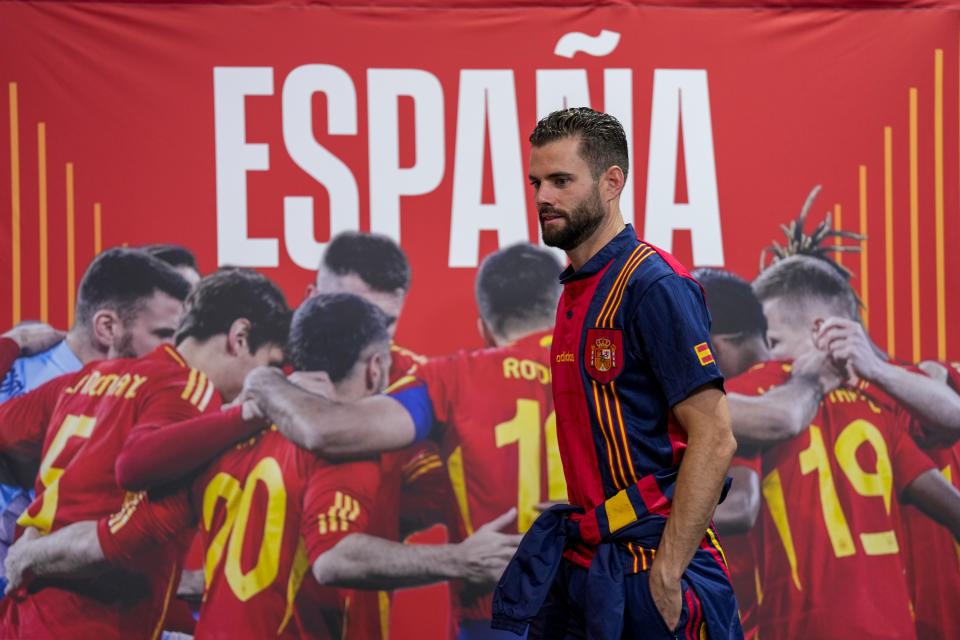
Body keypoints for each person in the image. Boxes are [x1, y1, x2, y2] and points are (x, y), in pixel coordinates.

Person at [4, 293, 521, 639]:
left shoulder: (220, 438)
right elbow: (336, 557)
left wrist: (34, 554)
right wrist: (460, 559)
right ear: (377, 367)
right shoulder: (347, 451)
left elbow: (125, 516)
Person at [0, 267, 290, 639]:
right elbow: (136, 467)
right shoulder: (194, 391)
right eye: (271, 365)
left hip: (22, 619)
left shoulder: (88, 377)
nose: (269, 381)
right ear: (240, 337)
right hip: (93, 624)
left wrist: (12, 342)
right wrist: (246, 416)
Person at [750, 254, 960, 639]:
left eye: (774, 342)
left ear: (821, 330)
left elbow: (954, 416)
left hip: (917, 607)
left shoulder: (886, 386)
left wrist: (876, 368)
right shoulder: (775, 393)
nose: (769, 357)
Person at [0, 247, 192, 594]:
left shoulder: (162, 398)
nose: (175, 352)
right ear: (107, 328)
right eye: (165, 335)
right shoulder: (25, 371)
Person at [304, 230, 442, 639]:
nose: (367, 339)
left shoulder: (422, 384)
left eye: (384, 323)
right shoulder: (264, 372)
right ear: (312, 296)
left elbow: (438, 493)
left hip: (360, 615)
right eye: (351, 313)